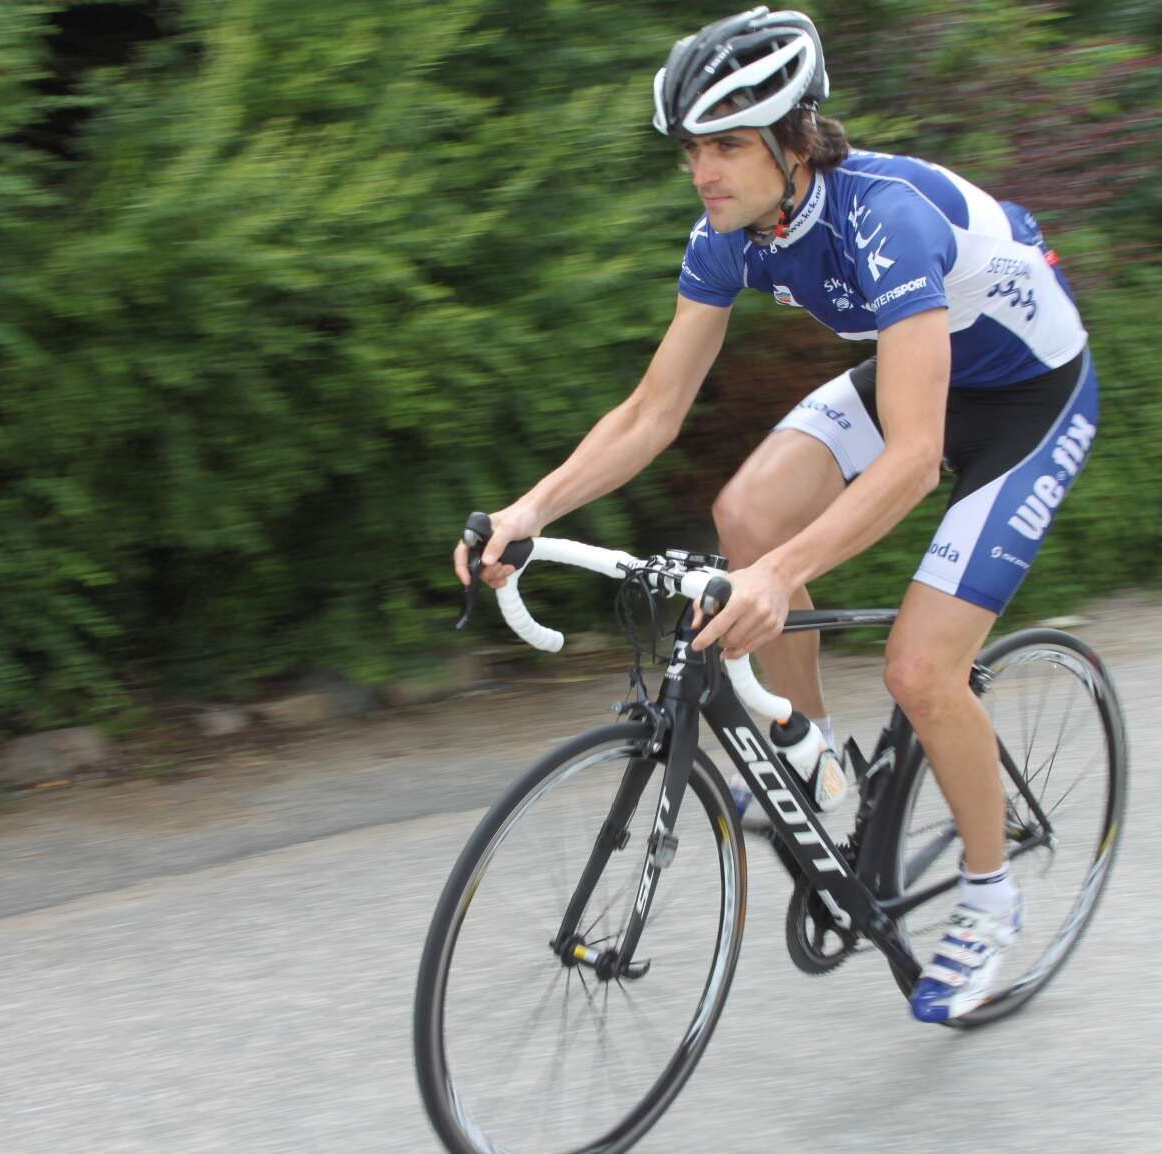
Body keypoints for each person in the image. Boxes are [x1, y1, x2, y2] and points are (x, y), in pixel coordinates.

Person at [451, 6, 1099, 1023]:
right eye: (690, 149)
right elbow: (653, 410)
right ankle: (819, 765)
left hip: (1030, 401)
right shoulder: (730, 236)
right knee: (746, 511)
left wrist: (778, 576)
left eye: (725, 145)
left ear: (794, 140)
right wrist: (528, 510)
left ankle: (988, 895)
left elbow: (913, 459)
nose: (701, 171)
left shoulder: (884, 217)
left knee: (920, 668)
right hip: (921, 375)